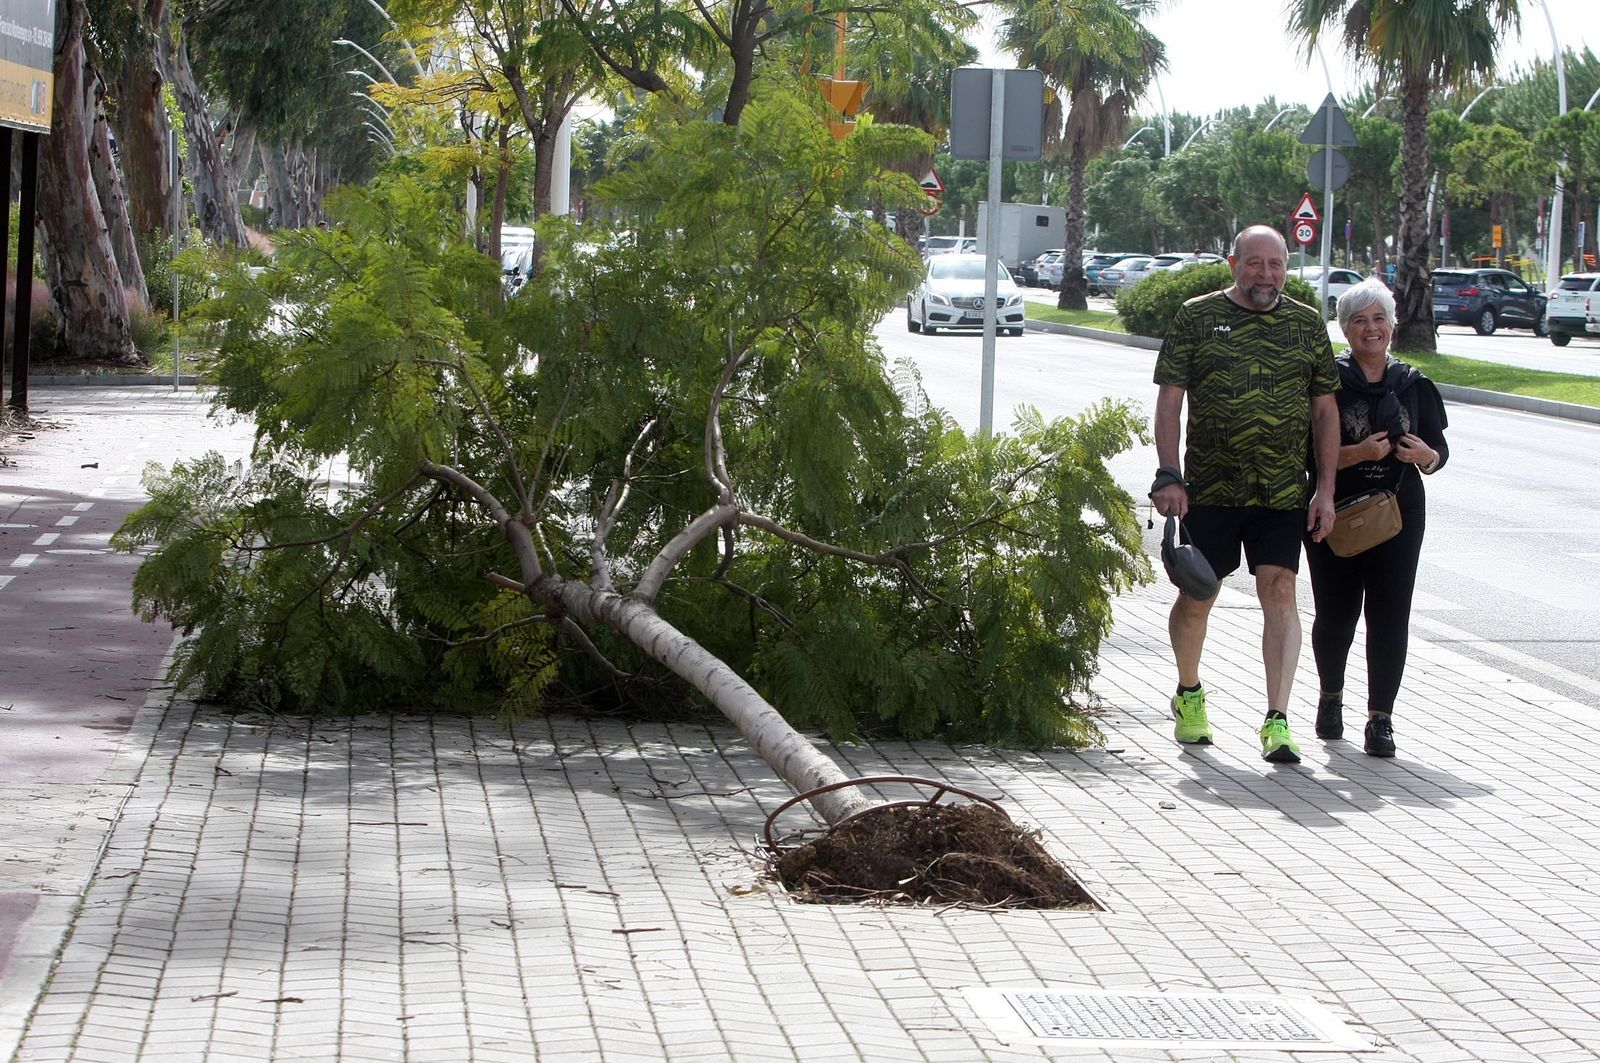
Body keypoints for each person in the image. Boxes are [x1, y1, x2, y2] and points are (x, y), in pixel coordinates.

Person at [1150, 225, 1340, 763]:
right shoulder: (1196, 316)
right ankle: (1189, 693)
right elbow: (1170, 402)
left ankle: (1277, 719)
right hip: (1209, 488)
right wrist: (1169, 474)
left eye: (1275, 264)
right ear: (1233, 263)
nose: (1265, 274)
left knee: (1280, 591)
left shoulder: (1306, 323)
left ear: (1287, 268)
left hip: (1281, 491)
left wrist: (1325, 491)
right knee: (1199, 592)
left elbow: (1325, 412)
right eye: (1254, 263)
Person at [1303, 279, 1449, 758]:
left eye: (1379, 319)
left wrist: (1426, 456)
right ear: (1345, 329)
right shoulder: (1326, 383)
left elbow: (1438, 451)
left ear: (1392, 325)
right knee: (1336, 613)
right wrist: (1357, 453)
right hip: (1334, 509)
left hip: (1399, 514)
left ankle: (1380, 718)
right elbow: (1304, 454)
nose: (1371, 329)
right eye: (1360, 321)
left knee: (1390, 615)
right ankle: (1330, 697)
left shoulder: (1414, 383)